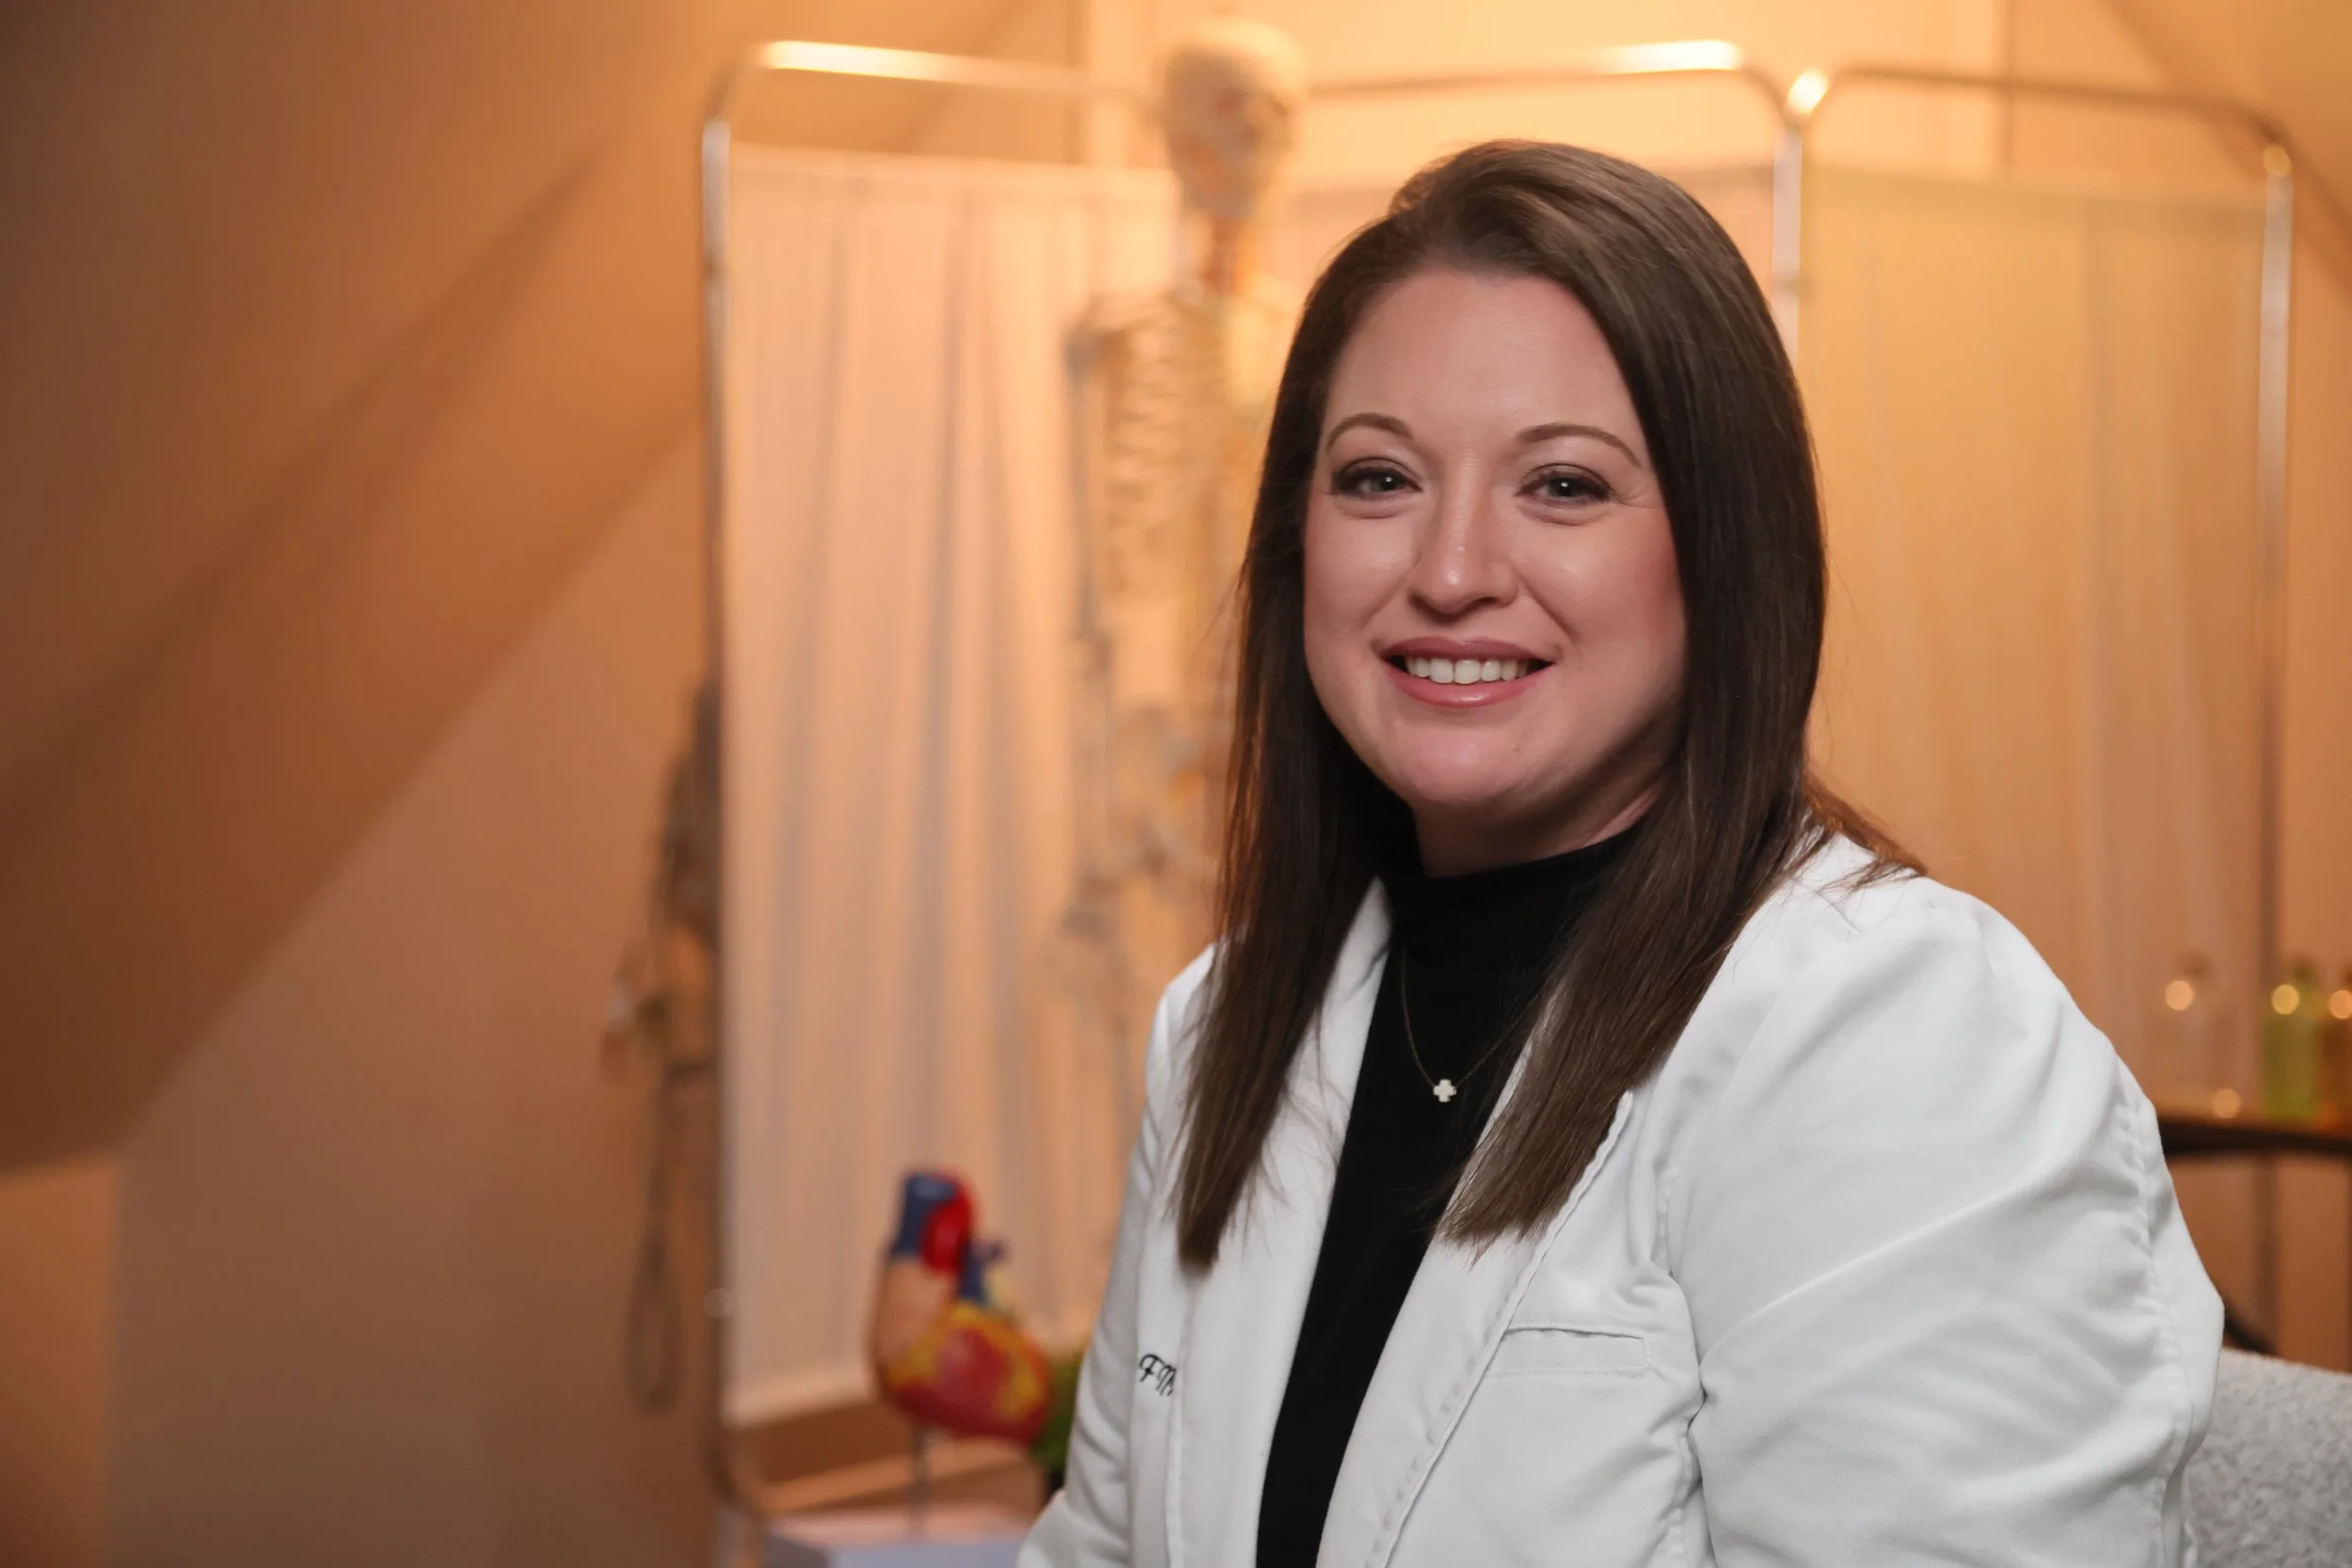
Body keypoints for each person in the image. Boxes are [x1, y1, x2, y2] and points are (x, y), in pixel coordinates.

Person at [1019, 140, 2221, 1568]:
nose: (1452, 570)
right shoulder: (1227, 1029)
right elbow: (1100, 1542)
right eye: (1380, 476)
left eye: (1566, 487)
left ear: (1724, 548)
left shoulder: (1898, 1034)